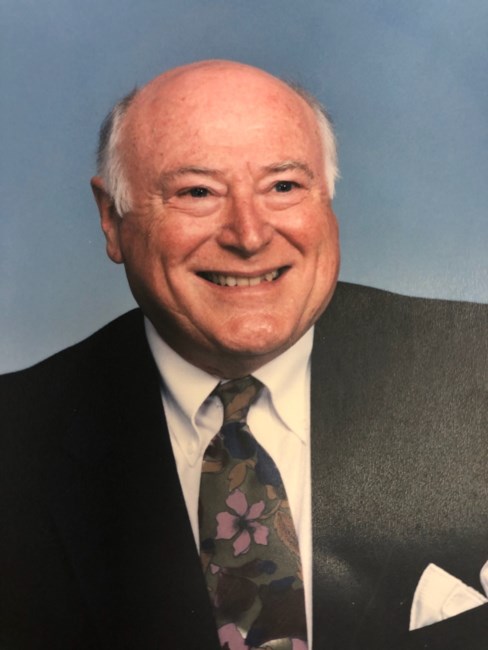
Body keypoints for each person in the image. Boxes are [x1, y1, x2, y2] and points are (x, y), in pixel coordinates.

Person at [0, 60, 486, 650]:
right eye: (197, 192)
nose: (250, 235)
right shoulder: (15, 439)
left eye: (283, 186)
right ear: (111, 218)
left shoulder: (475, 366)